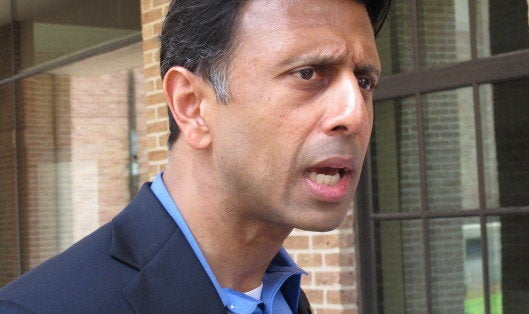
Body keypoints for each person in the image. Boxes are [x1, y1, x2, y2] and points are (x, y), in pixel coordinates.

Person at [0, 0, 390, 312]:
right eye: (308, 74)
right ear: (191, 106)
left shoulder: (279, 296)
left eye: (364, 81)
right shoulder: (40, 306)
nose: (355, 113)